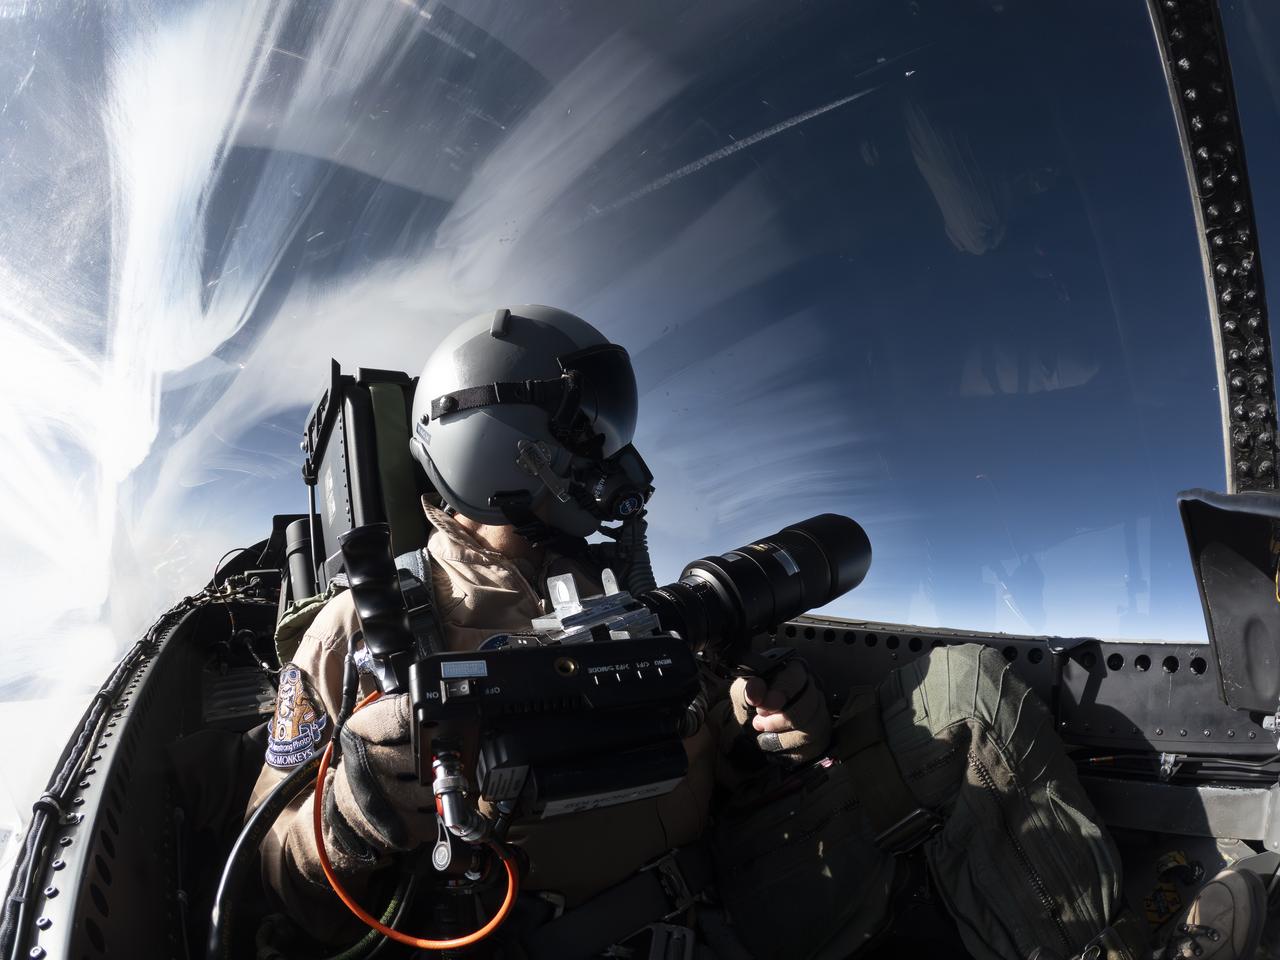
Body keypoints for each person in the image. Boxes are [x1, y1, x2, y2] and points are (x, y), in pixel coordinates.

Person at [247, 305, 1266, 960]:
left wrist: (773, 722)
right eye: (588, 426)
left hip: (733, 895)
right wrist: (353, 813)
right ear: (501, 439)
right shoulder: (366, 633)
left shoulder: (620, 590)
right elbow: (275, 893)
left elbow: (721, 761)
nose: (616, 455)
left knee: (959, 692)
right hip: (546, 939)